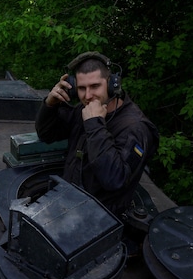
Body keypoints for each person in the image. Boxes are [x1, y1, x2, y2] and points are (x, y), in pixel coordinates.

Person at [35, 51, 159, 217]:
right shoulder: (83, 109)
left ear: (111, 84)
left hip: (102, 217)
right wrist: (50, 105)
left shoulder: (134, 127)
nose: (87, 96)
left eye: (95, 86)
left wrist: (95, 125)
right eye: (81, 88)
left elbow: (114, 179)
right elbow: (46, 134)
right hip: (69, 202)